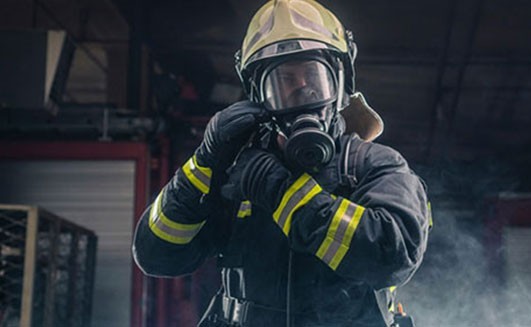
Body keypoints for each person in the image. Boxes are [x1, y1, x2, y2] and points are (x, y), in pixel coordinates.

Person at [132, 0, 431, 326]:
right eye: (285, 81)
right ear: (257, 96)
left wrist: (280, 190)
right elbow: (156, 256)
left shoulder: (375, 166)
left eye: (314, 77)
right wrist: (204, 165)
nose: (302, 92)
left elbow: (393, 257)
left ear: (342, 83)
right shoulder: (236, 172)